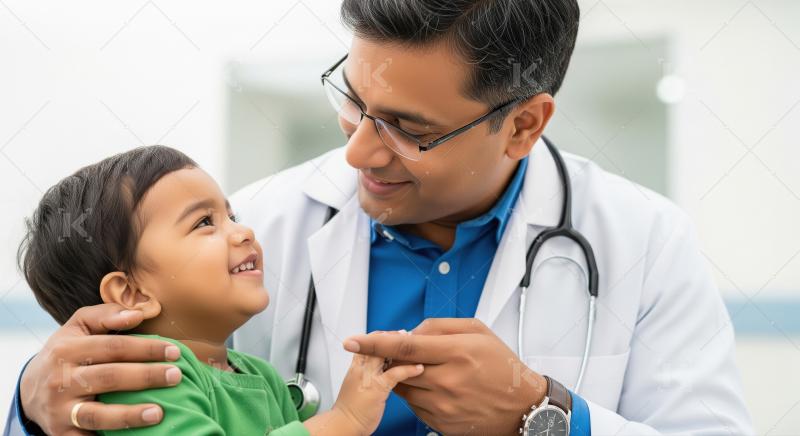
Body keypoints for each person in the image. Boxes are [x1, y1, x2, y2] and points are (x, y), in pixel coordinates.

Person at [5, 1, 753, 435]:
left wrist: (544, 412)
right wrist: (32, 403)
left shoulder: (644, 241)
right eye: (353, 100)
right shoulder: (264, 225)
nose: (360, 149)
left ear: (524, 125)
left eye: (407, 127)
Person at [11, 145, 422, 435]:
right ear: (132, 293)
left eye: (231, 214)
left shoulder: (258, 376)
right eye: (204, 223)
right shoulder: (145, 382)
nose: (243, 231)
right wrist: (344, 419)